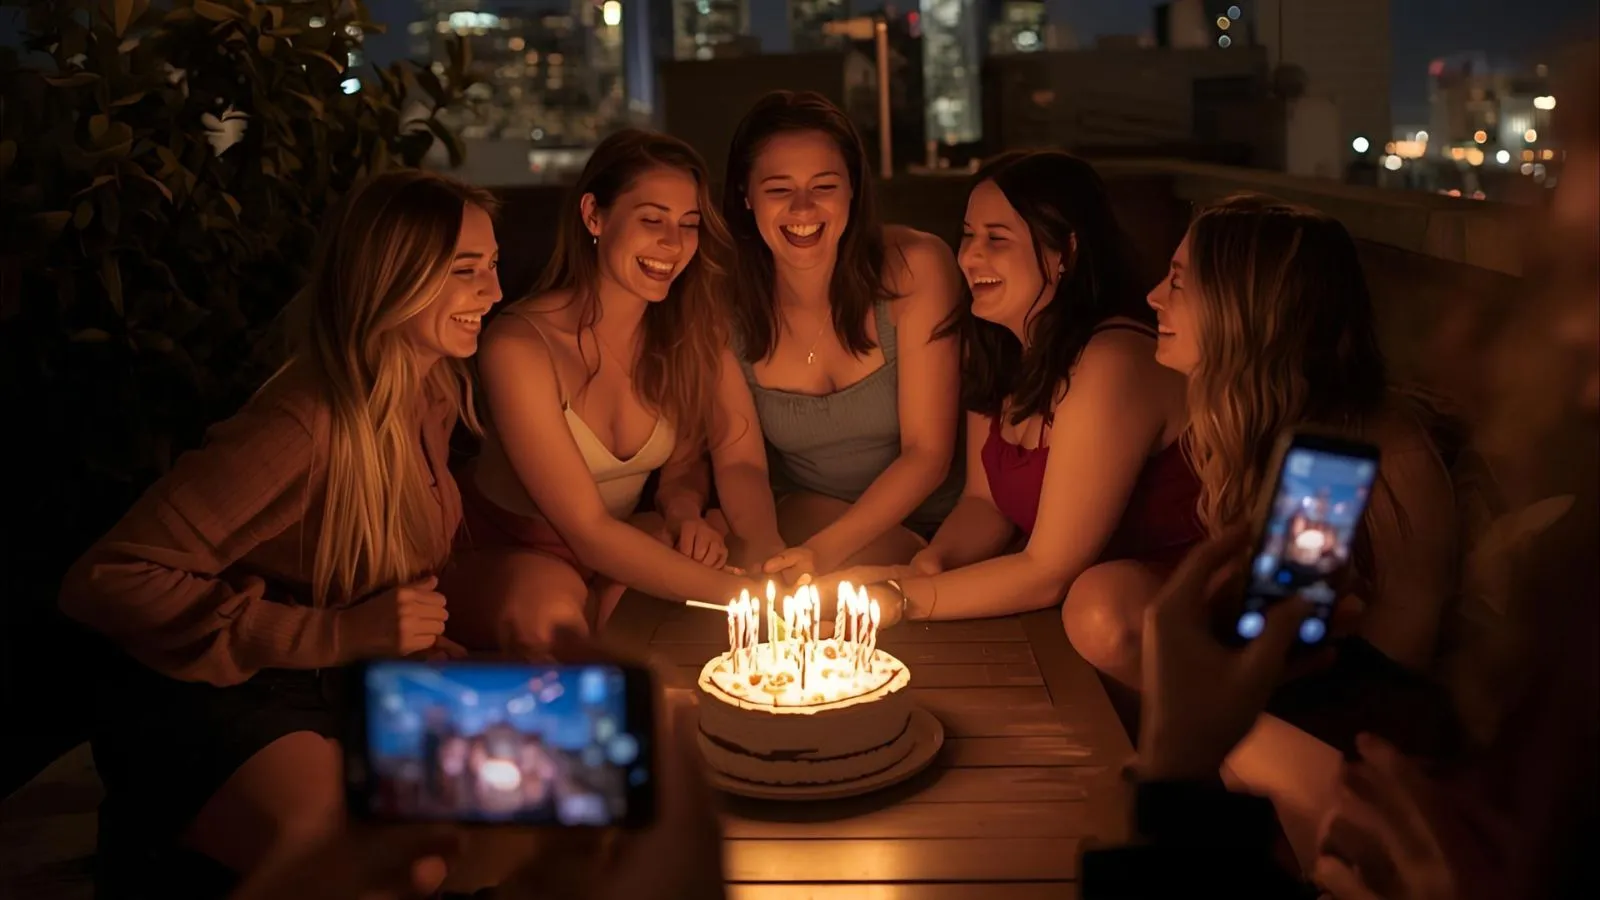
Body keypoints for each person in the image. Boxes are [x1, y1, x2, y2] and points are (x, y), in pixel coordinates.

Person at [58, 170, 498, 894]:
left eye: (492, 265)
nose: (494, 292)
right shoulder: (307, 422)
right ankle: (157, 843)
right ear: (395, 277)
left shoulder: (431, 391)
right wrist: (334, 634)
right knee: (393, 865)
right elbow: (105, 580)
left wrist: (393, 634)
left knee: (538, 791)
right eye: (466, 271)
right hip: (212, 695)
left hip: (333, 679)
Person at [826, 151, 1199, 637]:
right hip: (1069, 602)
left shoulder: (1111, 361)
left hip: (1149, 605)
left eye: (996, 239)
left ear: (1064, 250)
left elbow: (1048, 571)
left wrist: (899, 599)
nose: (969, 257)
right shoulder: (1002, 346)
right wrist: (927, 566)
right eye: (967, 235)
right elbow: (987, 504)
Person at [444, 130, 761, 655]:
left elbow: (683, 464)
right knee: (556, 616)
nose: (673, 244)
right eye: (652, 220)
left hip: (619, 544)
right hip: (508, 549)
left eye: (689, 225)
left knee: (673, 602)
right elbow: (587, 530)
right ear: (594, 216)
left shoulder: (683, 335)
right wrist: (749, 597)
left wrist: (683, 510)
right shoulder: (521, 345)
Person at [713, 90, 965, 581]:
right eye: (779, 189)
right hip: (811, 520)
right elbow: (740, 464)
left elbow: (928, 453)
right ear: (746, 196)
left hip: (946, 527)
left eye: (824, 186)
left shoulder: (916, 269)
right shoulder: (721, 304)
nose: (803, 208)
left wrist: (822, 555)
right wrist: (767, 552)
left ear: (853, 189)